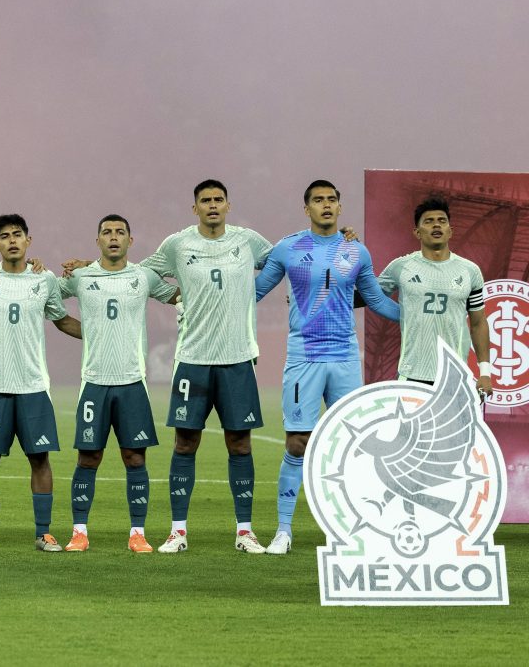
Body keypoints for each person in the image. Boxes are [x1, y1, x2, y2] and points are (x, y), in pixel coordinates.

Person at [252, 180, 400, 554]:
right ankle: (284, 531)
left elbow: (377, 301)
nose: (326, 205)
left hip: (346, 358)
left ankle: (352, 530)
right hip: (305, 357)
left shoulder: (356, 251)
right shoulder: (288, 248)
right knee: (298, 442)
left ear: (340, 205)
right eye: (318, 200)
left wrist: (419, 318)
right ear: (307, 209)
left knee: (354, 446)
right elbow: (253, 292)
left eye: (332, 199)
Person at [138, 179, 273, 554]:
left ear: (228, 205)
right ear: (194, 207)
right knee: (185, 443)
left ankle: (245, 532)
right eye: (205, 201)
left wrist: (337, 243)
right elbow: (144, 273)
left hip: (237, 358)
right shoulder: (179, 244)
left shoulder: (248, 241)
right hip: (193, 359)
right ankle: (177, 532)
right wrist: (170, 294)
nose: (212, 205)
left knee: (240, 444)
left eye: (218, 200)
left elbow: (283, 260)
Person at [0, 214, 81, 552]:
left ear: (28, 241)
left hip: (34, 385)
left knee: (40, 459)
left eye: (17, 234)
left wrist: (101, 334)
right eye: (5, 236)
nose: (11, 240)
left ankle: (44, 533)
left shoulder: (45, 279)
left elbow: (61, 319)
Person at [57, 214, 178, 552]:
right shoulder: (81, 276)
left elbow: (177, 296)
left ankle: (137, 533)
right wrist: (89, 334)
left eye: (120, 232)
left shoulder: (143, 277)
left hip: (132, 382)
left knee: (134, 458)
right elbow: (47, 299)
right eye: (107, 232)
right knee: (88, 458)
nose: (113, 237)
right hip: (94, 382)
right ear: (97, 240)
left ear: (130, 241)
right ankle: (79, 532)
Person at [377, 196, 491, 393]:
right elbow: (371, 296)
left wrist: (485, 373)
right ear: (417, 232)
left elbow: (479, 322)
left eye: (442, 221)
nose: (436, 225)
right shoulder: (401, 267)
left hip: (454, 375)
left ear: (450, 231)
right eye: (428, 221)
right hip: (410, 375)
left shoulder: (470, 271)